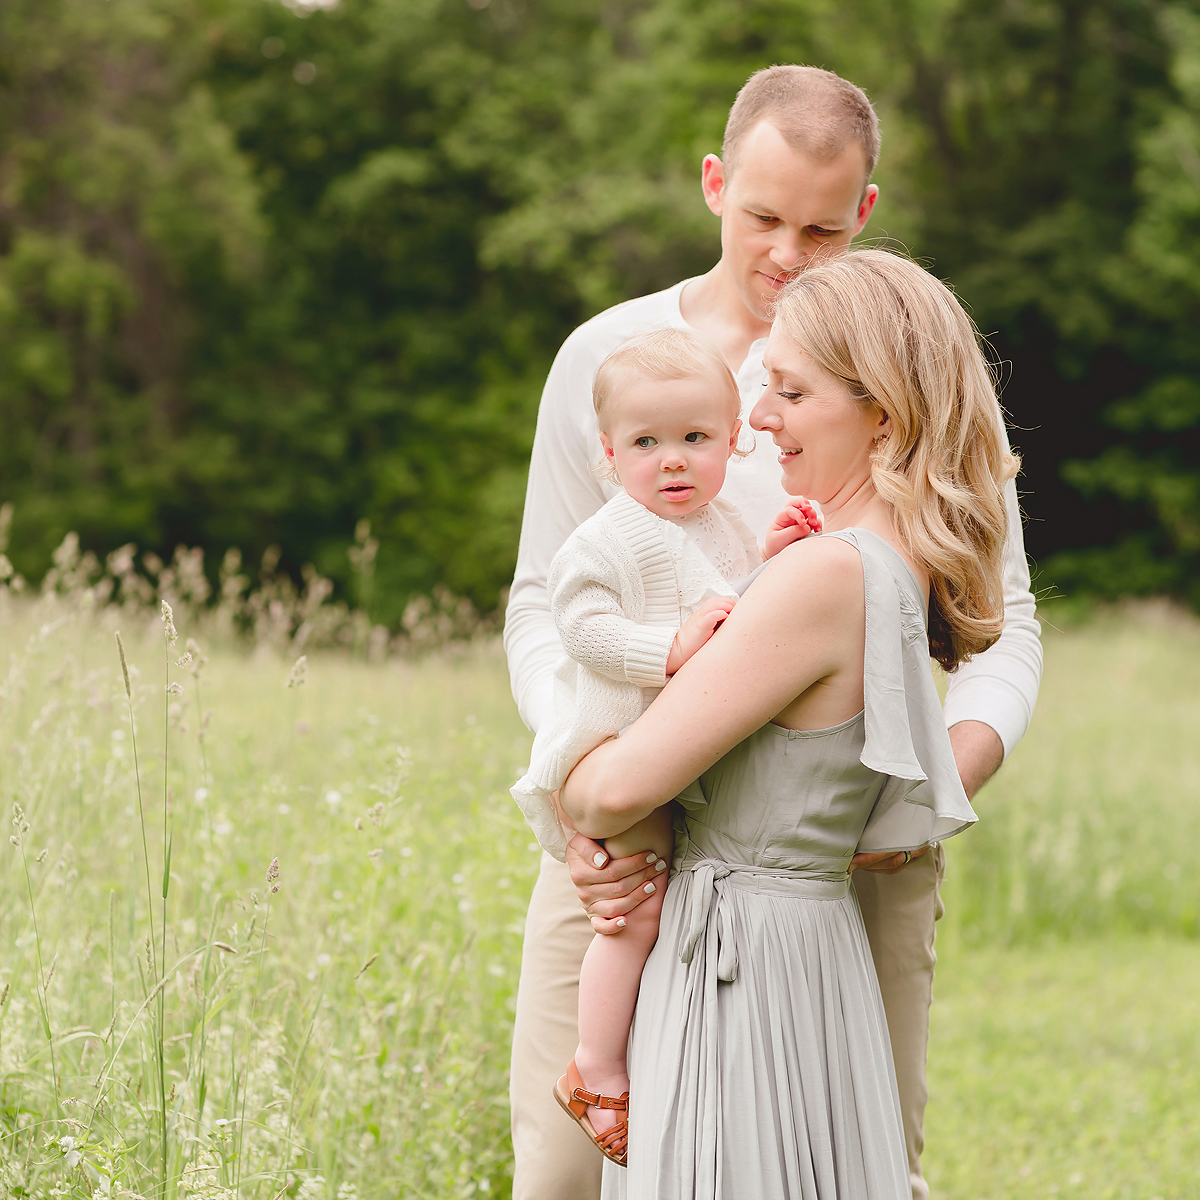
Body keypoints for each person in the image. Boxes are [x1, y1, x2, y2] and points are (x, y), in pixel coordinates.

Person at [505, 65, 1042, 1200]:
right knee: (566, 1171)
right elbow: (546, 603)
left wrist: (915, 790)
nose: (787, 253)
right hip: (638, 838)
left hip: (832, 836)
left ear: (867, 213)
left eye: (821, 227)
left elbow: (1002, 627)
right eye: (761, 218)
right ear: (712, 185)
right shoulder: (609, 359)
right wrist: (593, 794)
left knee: (847, 1154)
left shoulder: (899, 365)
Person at [508, 327, 822, 1165]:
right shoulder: (607, 539)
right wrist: (668, 651)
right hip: (610, 747)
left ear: (734, 441)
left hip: (670, 755)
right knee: (632, 913)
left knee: (661, 912)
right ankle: (597, 1068)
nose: (672, 461)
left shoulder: (718, 526)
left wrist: (777, 556)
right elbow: (580, 627)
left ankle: (640, 1053)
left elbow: (735, 607)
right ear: (610, 455)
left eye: (694, 439)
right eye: (647, 443)